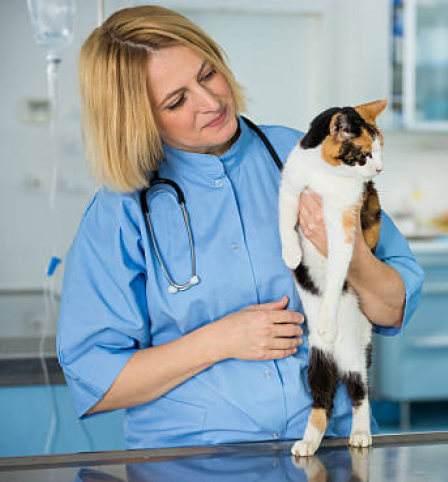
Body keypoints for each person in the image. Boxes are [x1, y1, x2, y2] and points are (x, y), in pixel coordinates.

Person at [57, 5, 424, 450]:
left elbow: (392, 308)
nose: (211, 102)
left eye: (208, 74)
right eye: (176, 101)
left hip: (333, 448)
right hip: (191, 461)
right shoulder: (122, 210)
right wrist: (219, 340)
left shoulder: (309, 158)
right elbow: (96, 379)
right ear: (138, 119)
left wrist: (354, 258)